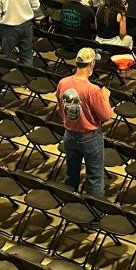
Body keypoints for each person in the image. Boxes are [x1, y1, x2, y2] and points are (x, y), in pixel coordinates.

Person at [56, 47, 112, 196]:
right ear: (92, 64)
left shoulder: (63, 82)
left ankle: (69, 203)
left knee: (71, 172)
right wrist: (105, 97)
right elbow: (106, 116)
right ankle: (94, 210)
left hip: (69, 133)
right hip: (90, 137)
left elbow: (60, 108)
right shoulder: (92, 90)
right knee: (94, 177)